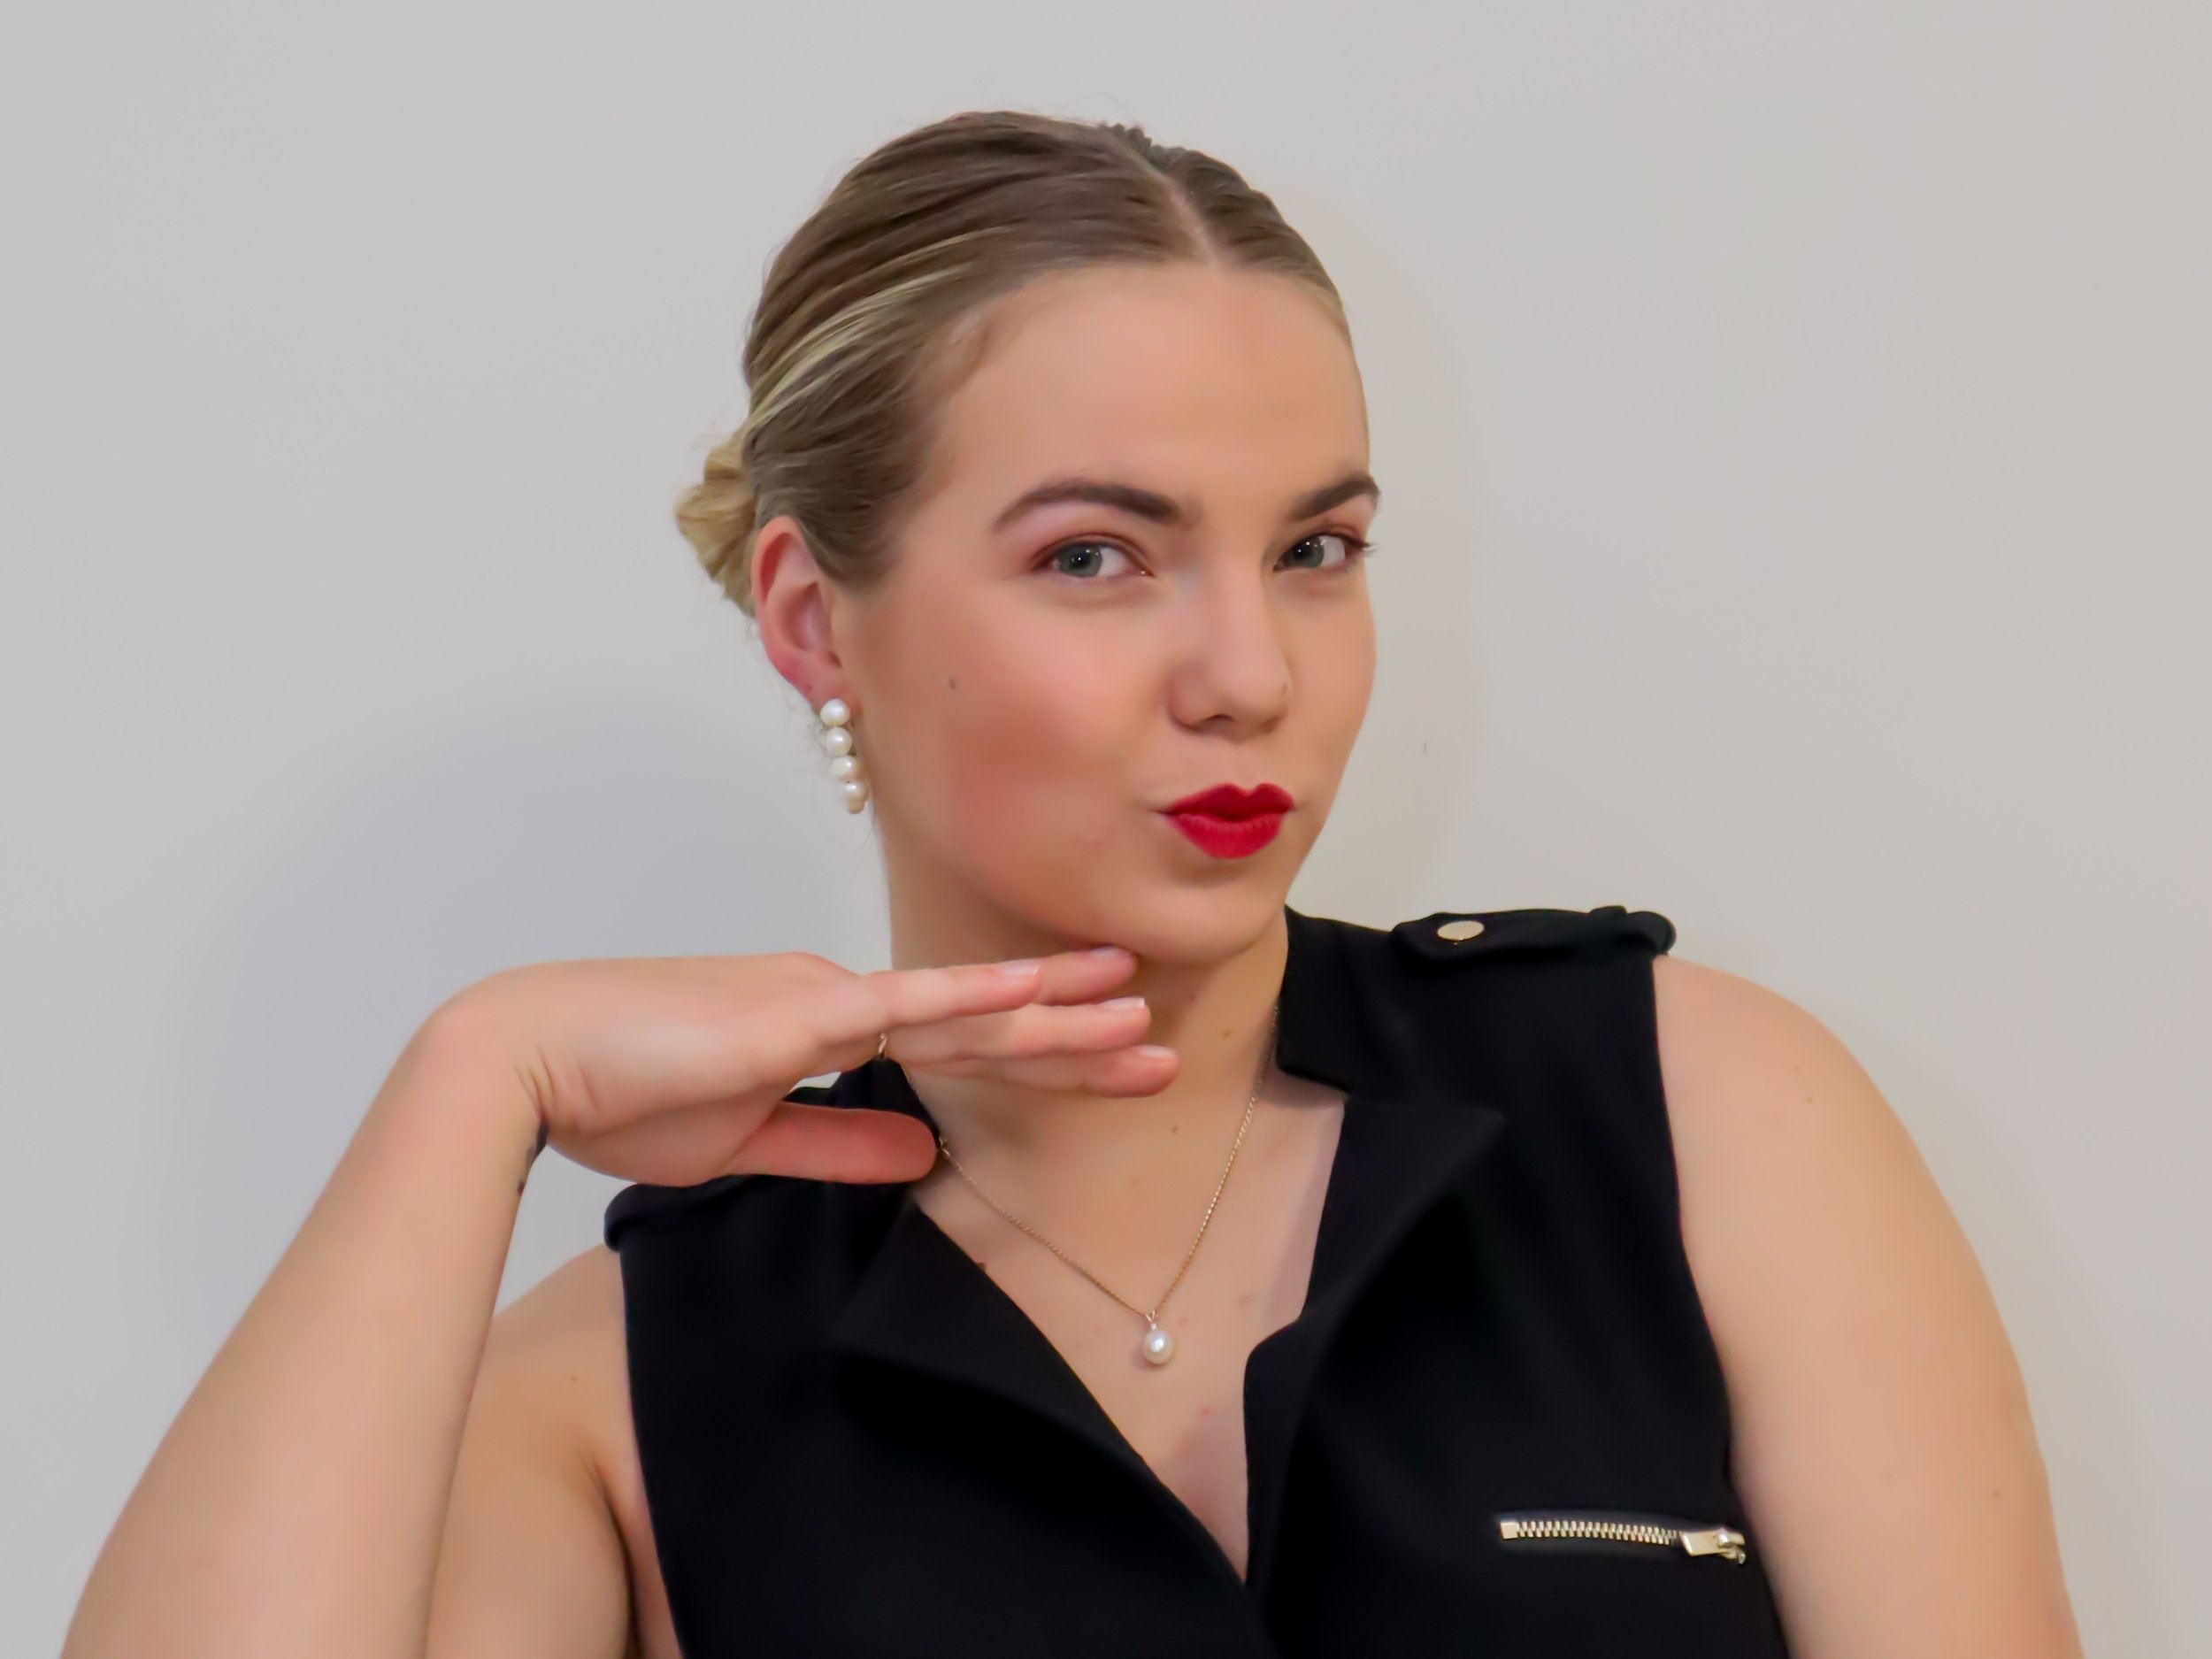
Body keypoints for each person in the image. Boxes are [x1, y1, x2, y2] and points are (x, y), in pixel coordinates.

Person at [62, 110, 2082, 1658]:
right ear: (811, 616)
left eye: (1315, 545)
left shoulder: (1695, 1117)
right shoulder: (618, 1383)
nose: (1249, 670)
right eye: (1095, 556)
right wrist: (468, 1080)